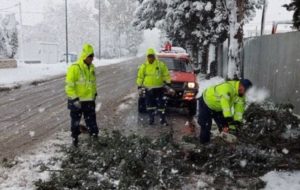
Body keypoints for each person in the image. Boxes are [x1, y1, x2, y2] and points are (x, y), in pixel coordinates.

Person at [198, 79, 253, 144]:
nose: (246, 93)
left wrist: (236, 123)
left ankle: (223, 143)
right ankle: (204, 145)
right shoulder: (227, 87)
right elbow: (225, 104)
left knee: (225, 127)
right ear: (241, 86)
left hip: (218, 108)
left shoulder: (241, 96)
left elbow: (239, 111)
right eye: (246, 90)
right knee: (206, 126)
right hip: (206, 103)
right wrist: (228, 119)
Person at [65, 44, 99, 147]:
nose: (92, 59)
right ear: (85, 56)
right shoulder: (75, 68)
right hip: (77, 101)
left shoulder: (92, 67)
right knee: (75, 122)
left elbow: (92, 83)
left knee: (91, 121)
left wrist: (94, 93)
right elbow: (69, 86)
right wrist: (74, 98)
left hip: (89, 100)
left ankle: (94, 137)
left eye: (93, 56)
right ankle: (75, 140)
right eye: (90, 56)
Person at [136, 48, 171, 125]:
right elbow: (140, 77)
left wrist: (168, 83)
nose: (150, 58)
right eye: (149, 56)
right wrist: (139, 86)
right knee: (149, 105)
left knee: (161, 105)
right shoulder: (144, 66)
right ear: (147, 57)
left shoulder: (160, 65)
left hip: (159, 89)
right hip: (149, 89)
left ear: (154, 56)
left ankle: (162, 120)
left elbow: (166, 74)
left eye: (151, 56)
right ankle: (151, 119)